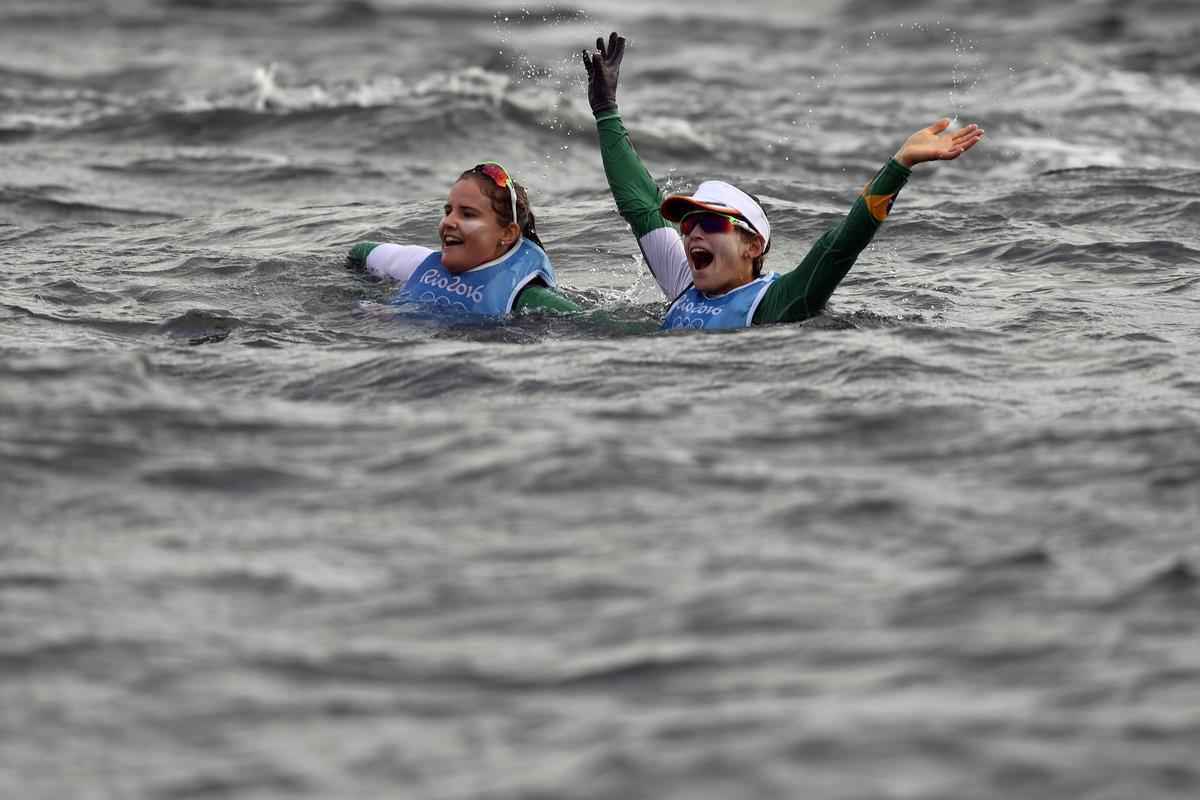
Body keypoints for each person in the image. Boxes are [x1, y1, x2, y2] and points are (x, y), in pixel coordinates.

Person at [581, 33, 985, 330]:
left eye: (711, 223)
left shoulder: (774, 302)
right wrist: (605, 111)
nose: (691, 235)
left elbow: (839, 246)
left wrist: (899, 164)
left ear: (752, 246)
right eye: (687, 224)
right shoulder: (684, 281)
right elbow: (642, 207)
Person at [347, 162, 580, 317]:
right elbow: (360, 251)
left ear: (507, 233)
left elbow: (597, 328)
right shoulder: (421, 265)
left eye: (468, 214)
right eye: (448, 211)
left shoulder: (527, 299)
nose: (449, 221)